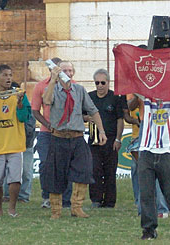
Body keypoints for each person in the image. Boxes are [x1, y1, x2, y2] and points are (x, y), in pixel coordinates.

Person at [129, 42, 170, 240]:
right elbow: (134, 74)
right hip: (146, 146)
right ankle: (148, 229)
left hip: (169, 148)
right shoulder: (146, 90)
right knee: (146, 192)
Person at [42, 61, 107, 219]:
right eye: (65, 70)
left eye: (70, 70)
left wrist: (102, 131)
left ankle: (76, 207)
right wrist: (53, 80)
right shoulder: (52, 89)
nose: (68, 73)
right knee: (56, 174)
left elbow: (93, 110)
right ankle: (56, 211)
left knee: (83, 171)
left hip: (77, 138)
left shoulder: (79, 90)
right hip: (58, 138)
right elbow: (47, 101)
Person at [31, 57, 73, 208]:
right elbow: (35, 111)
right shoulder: (40, 86)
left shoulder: (72, 85)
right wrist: (48, 125)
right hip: (46, 133)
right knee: (46, 165)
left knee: (66, 165)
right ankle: (47, 197)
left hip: (66, 132)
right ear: (50, 70)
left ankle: (66, 200)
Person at [0, 64, 30, 217]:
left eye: (10, 75)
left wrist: (20, 104)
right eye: (5, 75)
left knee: (15, 179)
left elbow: (23, 118)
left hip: (15, 144)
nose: (8, 78)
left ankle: (12, 209)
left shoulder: (19, 94)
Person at [85, 69, 124, 208]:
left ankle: (109, 201)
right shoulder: (89, 97)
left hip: (111, 140)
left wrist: (118, 139)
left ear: (108, 82)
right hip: (94, 140)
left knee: (110, 172)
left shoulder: (116, 98)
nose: (100, 85)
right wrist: (88, 118)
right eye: (97, 83)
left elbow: (120, 119)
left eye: (103, 82)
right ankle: (95, 200)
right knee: (94, 170)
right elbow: (80, 114)